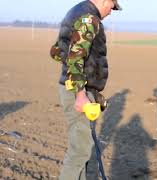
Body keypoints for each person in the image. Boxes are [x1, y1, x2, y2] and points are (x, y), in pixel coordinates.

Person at [49, 0, 121, 179]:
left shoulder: (74, 12)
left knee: (81, 147)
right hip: (78, 91)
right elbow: (75, 56)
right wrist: (81, 94)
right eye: (111, 7)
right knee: (80, 151)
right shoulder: (89, 18)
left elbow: (57, 51)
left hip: (74, 88)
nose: (111, 12)